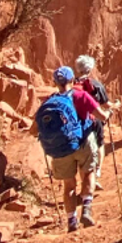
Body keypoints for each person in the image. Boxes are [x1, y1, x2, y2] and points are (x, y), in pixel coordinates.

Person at [35, 65, 90, 231]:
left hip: (58, 150)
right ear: (72, 80)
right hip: (78, 143)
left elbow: (33, 129)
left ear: (55, 83)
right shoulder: (79, 95)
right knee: (87, 173)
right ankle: (87, 207)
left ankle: (71, 220)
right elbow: (100, 114)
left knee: (68, 185)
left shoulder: (49, 102)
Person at [69, 56, 110, 221]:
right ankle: (97, 172)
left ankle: (84, 185)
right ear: (90, 69)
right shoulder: (96, 85)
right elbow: (105, 105)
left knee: (82, 158)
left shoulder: (71, 87)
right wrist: (112, 109)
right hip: (95, 120)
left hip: (77, 126)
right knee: (99, 144)